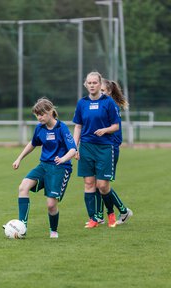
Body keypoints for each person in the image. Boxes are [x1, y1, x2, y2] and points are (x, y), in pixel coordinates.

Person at [11, 97, 77, 238]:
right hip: (44, 166)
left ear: (51, 112)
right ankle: (22, 226)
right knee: (23, 187)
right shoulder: (39, 128)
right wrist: (19, 158)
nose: (39, 117)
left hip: (60, 168)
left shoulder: (61, 127)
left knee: (51, 205)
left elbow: (73, 149)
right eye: (37, 115)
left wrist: (63, 159)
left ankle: (53, 231)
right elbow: (33, 144)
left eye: (42, 114)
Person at [73, 71, 123, 228]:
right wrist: (74, 148)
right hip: (86, 146)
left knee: (102, 185)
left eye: (95, 82)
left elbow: (116, 126)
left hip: (104, 148)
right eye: (89, 83)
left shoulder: (108, 103)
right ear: (85, 85)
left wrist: (105, 130)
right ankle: (93, 218)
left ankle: (110, 213)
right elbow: (78, 126)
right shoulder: (82, 103)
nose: (92, 85)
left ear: (100, 84)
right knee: (88, 183)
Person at [96, 78, 133, 225]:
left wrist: (110, 146)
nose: (100, 94)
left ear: (109, 92)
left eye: (103, 91)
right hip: (96, 149)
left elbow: (116, 134)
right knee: (96, 183)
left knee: (102, 185)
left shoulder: (112, 107)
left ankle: (123, 211)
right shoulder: (98, 106)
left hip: (108, 149)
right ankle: (99, 215)